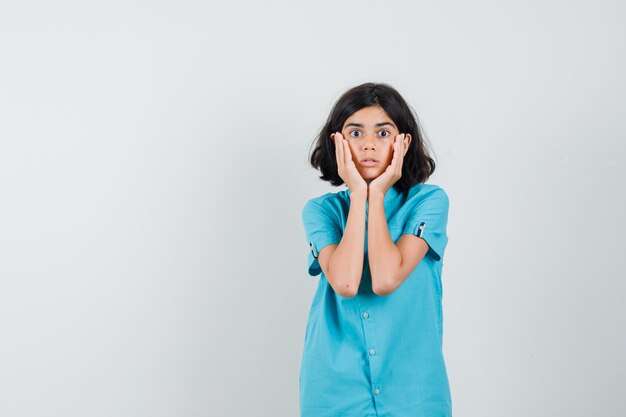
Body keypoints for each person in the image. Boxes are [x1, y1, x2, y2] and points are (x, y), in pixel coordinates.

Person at [300, 82, 452, 417]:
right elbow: (347, 283)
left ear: (403, 142)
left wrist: (377, 194)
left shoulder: (429, 202)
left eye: (383, 134)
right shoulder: (321, 211)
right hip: (334, 390)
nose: (369, 144)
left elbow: (385, 279)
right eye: (355, 134)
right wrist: (359, 194)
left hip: (414, 389)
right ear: (336, 142)